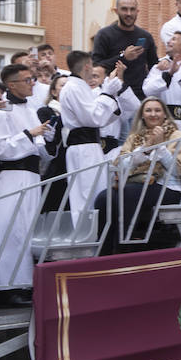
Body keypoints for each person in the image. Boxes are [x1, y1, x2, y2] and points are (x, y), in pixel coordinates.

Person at [92, 98, 181, 255]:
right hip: (139, 184)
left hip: (169, 187)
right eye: (148, 110)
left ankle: (123, 248)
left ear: (165, 115)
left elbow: (180, 171)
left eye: (158, 110)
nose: (153, 114)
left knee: (128, 194)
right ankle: (104, 251)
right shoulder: (134, 137)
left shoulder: (176, 134)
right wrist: (145, 150)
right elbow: (121, 166)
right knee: (104, 197)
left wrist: (160, 148)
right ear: (142, 115)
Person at [0, 63, 50, 305]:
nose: (32, 83)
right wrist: (30, 135)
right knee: (11, 229)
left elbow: (37, 143)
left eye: (32, 79)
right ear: (11, 84)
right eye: (27, 80)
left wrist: (45, 139)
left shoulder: (31, 107)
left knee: (26, 228)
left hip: (32, 175)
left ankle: (23, 283)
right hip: (13, 176)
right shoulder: (1, 111)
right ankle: (4, 287)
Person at [59, 50, 126, 229]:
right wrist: (108, 93)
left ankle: (95, 235)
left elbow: (102, 118)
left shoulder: (81, 87)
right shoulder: (73, 88)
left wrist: (110, 92)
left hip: (90, 146)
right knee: (86, 194)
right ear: (87, 65)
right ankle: (85, 236)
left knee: (96, 190)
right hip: (82, 147)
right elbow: (93, 117)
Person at [91, 0, 158, 126]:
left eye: (132, 9)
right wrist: (123, 57)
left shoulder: (146, 36)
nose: (129, 13)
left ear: (137, 11)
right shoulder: (104, 35)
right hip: (113, 100)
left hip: (139, 99)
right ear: (116, 11)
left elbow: (153, 66)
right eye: (124, 9)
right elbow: (97, 67)